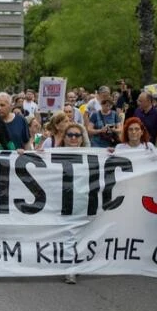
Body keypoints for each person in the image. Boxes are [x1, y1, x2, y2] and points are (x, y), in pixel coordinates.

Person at [58, 122, 88, 285]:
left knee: (77, 234)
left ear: (82, 139)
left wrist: (110, 155)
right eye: (70, 135)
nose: (74, 138)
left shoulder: (92, 154)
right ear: (65, 138)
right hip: (59, 200)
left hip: (82, 200)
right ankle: (69, 268)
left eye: (77, 135)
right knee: (67, 234)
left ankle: (73, 267)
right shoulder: (53, 154)